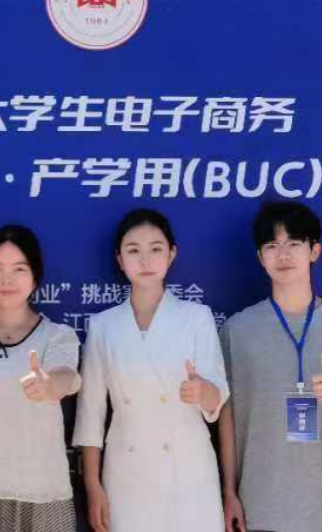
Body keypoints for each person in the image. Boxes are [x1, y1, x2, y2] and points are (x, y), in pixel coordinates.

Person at [218, 201, 322, 532]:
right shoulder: (237, 330)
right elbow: (227, 417)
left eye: (293, 243)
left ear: (314, 251)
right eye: (272, 246)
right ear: (260, 257)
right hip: (261, 503)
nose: (283, 255)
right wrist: (229, 492)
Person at [73, 208, 229, 532]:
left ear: (172, 254)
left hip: (189, 470)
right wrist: (92, 485)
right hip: (127, 471)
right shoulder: (103, 326)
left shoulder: (196, 317)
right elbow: (91, 414)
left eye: (155, 249)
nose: (145, 260)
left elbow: (217, 396)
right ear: (119, 259)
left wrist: (203, 390)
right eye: (133, 250)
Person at [0, 225, 82, 532]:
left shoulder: (57, 335)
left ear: (35, 276)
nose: (7, 279)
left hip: (41, 489)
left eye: (19, 269)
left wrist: (50, 385)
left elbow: (68, 376)